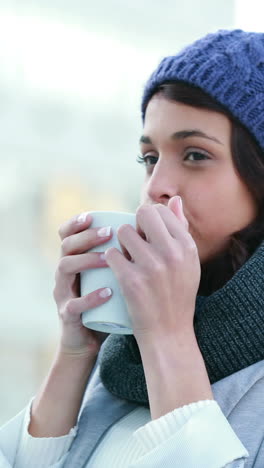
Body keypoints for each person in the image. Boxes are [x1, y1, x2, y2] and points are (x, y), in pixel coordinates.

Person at [1, 28, 264, 468]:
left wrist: (169, 337)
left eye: (195, 155)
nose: (156, 187)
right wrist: (76, 351)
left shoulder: (161, 338)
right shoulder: (125, 361)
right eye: (149, 159)